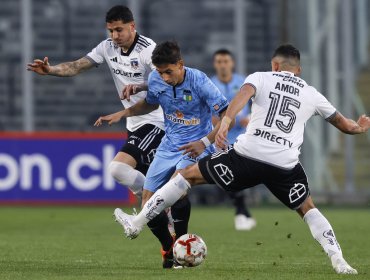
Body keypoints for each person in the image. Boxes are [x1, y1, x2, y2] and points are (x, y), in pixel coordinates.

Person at [114, 44, 370, 274]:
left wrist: (225, 123)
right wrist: (359, 127)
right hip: (284, 165)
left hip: (247, 156)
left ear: (275, 65)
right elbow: (343, 124)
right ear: (298, 70)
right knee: (308, 209)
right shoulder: (312, 94)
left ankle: (136, 223)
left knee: (186, 176)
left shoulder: (260, 77)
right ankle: (339, 261)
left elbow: (240, 98)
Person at [27, 5, 180, 268]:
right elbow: (77, 66)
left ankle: (158, 202)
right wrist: (51, 71)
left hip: (157, 124)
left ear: (132, 26)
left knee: (118, 168)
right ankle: (169, 250)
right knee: (140, 191)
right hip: (136, 124)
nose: (114, 35)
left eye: (119, 29)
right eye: (110, 30)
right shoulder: (107, 47)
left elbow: (156, 98)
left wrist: (123, 113)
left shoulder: (148, 50)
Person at [94, 41, 230, 269]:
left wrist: (206, 141)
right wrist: (123, 112)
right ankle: (171, 249)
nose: (164, 78)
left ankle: (179, 247)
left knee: (176, 187)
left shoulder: (199, 81)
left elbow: (227, 114)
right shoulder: (156, 79)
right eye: (160, 72)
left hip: (195, 144)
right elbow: (150, 104)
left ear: (181, 64)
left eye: (169, 72)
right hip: (168, 145)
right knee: (148, 203)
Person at [211, 49, 256, 231]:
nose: (223, 65)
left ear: (232, 63)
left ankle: (242, 212)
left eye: (225, 61)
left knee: (237, 176)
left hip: (243, 137)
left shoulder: (244, 82)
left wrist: (251, 118)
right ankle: (241, 213)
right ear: (215, 64)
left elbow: (259, 106)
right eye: (219, 61)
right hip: (219, 138)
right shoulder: (210, 84)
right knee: (228, 176)